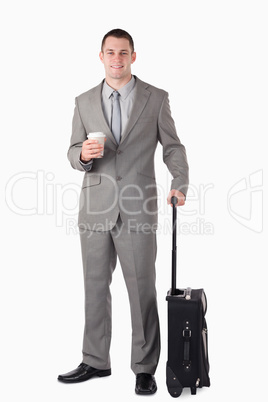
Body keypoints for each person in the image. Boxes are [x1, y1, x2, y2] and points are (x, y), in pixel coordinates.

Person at [58, 28, 189, 395]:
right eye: (110, 52)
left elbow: (173, 148)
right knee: (95, 287)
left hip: (138, 208)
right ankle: (95, 360)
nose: (117, 58)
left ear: (134, 56)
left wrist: (180, 181)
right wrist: (82, 155)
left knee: (142, 289)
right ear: (100, 56)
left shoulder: (156, 98)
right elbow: (71, 150)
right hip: (95, 208)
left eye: (124, 52)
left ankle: (145, 368)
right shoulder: (83, 101)